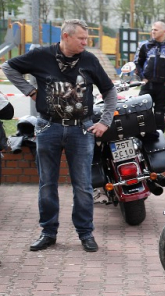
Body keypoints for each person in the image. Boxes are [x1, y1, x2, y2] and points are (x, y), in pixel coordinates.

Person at [1, 19, 117, 252]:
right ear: (66, 36)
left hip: (81, 130)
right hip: (48, 128)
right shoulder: (42, 56)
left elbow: (109, 90)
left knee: (83, 185)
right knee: (47, 184)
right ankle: (48, 232)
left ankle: (85, 234)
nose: (86, 42)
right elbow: (8, 67)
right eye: (81, 38)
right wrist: (30, 91)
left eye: (87, 38)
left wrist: (104, 122)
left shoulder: (89, 60)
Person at [134, 21, 165, 132]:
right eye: (152, 29)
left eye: (155, 30)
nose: (153, 31)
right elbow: (137, 63)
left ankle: (159, 140)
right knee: (141, 112)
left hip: (163, 87)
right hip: (147, 85)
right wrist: (142, 78)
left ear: (164, 31)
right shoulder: (144, 45)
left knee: (159, 115)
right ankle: (144, 138)